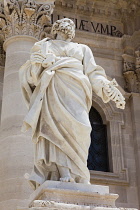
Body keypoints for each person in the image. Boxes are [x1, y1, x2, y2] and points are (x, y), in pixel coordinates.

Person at [19, 18, 125, 190]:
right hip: (54, 91)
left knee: (83, 128)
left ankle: (81, 172)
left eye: (71, 24)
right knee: (55, 130)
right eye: (64, 23)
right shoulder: (44, 46)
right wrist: (39, 65)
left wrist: (106, 87)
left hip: (77, 92)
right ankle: (65, 173)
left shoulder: (82, 49)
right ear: (56, 28)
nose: (68, 25)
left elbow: (94, 74)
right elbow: (31, 77)